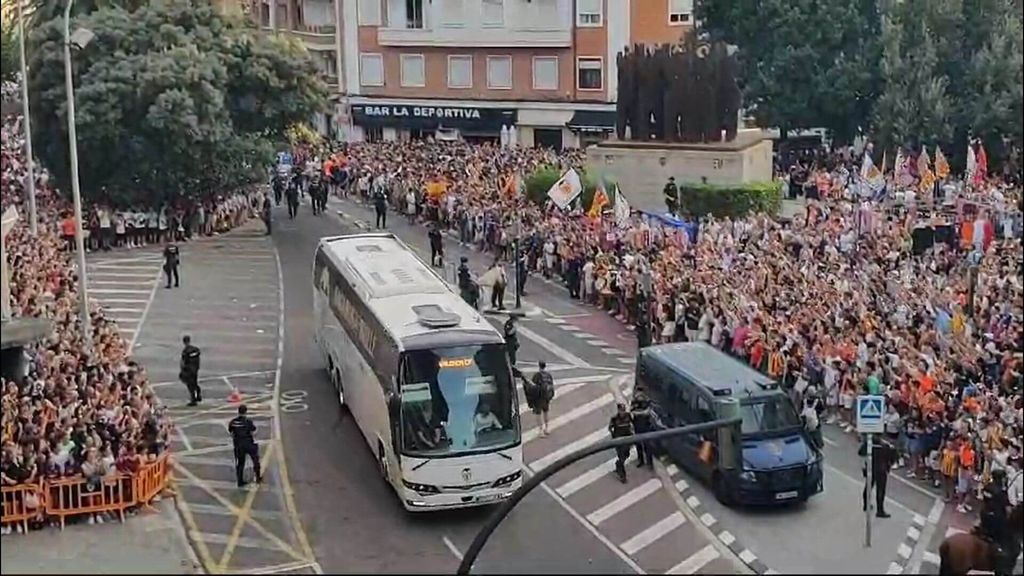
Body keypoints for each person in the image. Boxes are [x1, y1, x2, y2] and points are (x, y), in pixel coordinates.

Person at [860, 434, 895, 517]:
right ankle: (880, 510)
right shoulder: (885, 446)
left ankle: (866, 505)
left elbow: (861, 453)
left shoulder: (868, 444)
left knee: (868, 487)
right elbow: (892, 457)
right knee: (880, 490)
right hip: (881, 469)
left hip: (870, 468)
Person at [228, 405, 262, 488]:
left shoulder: (233, 422)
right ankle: (258, 477)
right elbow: (253, 431)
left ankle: (240, 481)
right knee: (255, 460)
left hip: (238, 445)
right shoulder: (248, 422)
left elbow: (231, 432)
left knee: (240, 463)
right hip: (248, 444)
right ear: (245, 412)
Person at [630, 393, 661, 469]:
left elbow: (649, 411)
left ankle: (649, 463)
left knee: (647, 447)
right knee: (639, 446)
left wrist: (642, 413)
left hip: (646, 427)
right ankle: (641, 461)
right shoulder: (634, 402)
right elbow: (633, 412)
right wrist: (643, 413)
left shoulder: (647, 401)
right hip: (637, 427)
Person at [609, 403, 635, 483]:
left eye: (623, 410)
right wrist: (614, 436)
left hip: (627, 439)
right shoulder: (614, 419)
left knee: (626, 455)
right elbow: (610, 428)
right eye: (621, 410)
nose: (622, 412)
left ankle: (618, 465)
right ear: (618, 410)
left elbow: (632, 424)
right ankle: (622, 476)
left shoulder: (628, 416)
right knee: (621, 457)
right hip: (619, 441)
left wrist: (632, 433)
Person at [527, 361, 555, 436]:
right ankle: (547, 428)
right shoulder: (548, 375)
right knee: (546, 412)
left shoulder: (537, 375)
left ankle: (541, 430)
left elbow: (532, 386)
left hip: (538, 398)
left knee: (538, 414)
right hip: (546, 397)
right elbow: (551, 386)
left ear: (539, 366)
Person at [180, 335, 202, 406]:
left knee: (190, 385)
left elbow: (183, 362)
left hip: (188, 370)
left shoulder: (185, 351)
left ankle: (193, 400)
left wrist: (182, 370)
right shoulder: (196, 349)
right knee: (194, 383)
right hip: (195, 369)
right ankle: (198, 394)